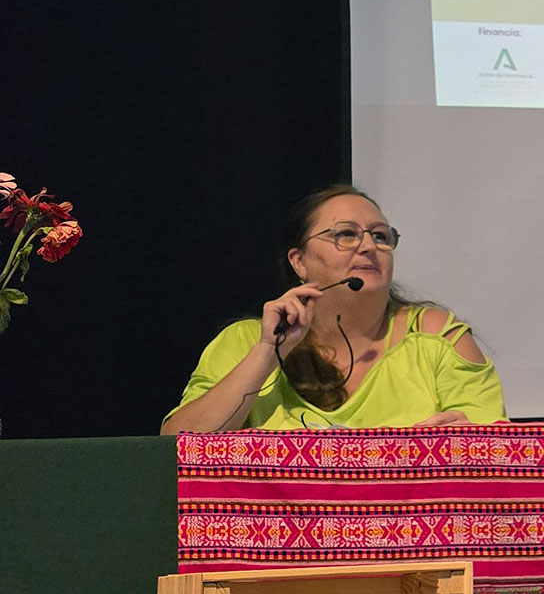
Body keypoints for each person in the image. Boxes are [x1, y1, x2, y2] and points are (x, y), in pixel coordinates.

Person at [163, 185, 506, 432]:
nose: (369, 246)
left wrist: (474, 441)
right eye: (346, 234)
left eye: (380, 236)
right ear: (299, 262)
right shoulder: (246, 342)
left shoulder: (439, 337)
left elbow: (504, 461)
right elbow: (178, 446)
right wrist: (268, 352)